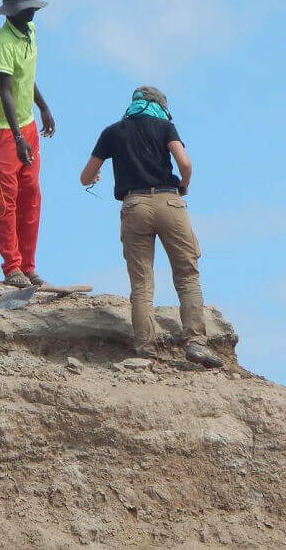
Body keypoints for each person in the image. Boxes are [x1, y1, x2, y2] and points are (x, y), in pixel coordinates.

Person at [80, 86, 223, 369]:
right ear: (160, 105)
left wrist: (95, 175)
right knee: (186, 274)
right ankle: (195, 342)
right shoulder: (165, 126)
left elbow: (85, 177)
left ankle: (145, 351)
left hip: (134, 205)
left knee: (142, 282)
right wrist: (184, 185)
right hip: (169, 202)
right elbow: (185, 163)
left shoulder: (113, 131)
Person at [0, 0, 56, 288]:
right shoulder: (2, 44)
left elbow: (28, 77)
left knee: (31, 195)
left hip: (25, 125)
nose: (33, 12)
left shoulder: (30, 32)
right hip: (1, 129)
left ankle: (28, 265)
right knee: (4, 199)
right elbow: (6, 91)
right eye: (28, 8)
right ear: (12, 12)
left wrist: (44, 107)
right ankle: (12, 267)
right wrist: (17, 137)